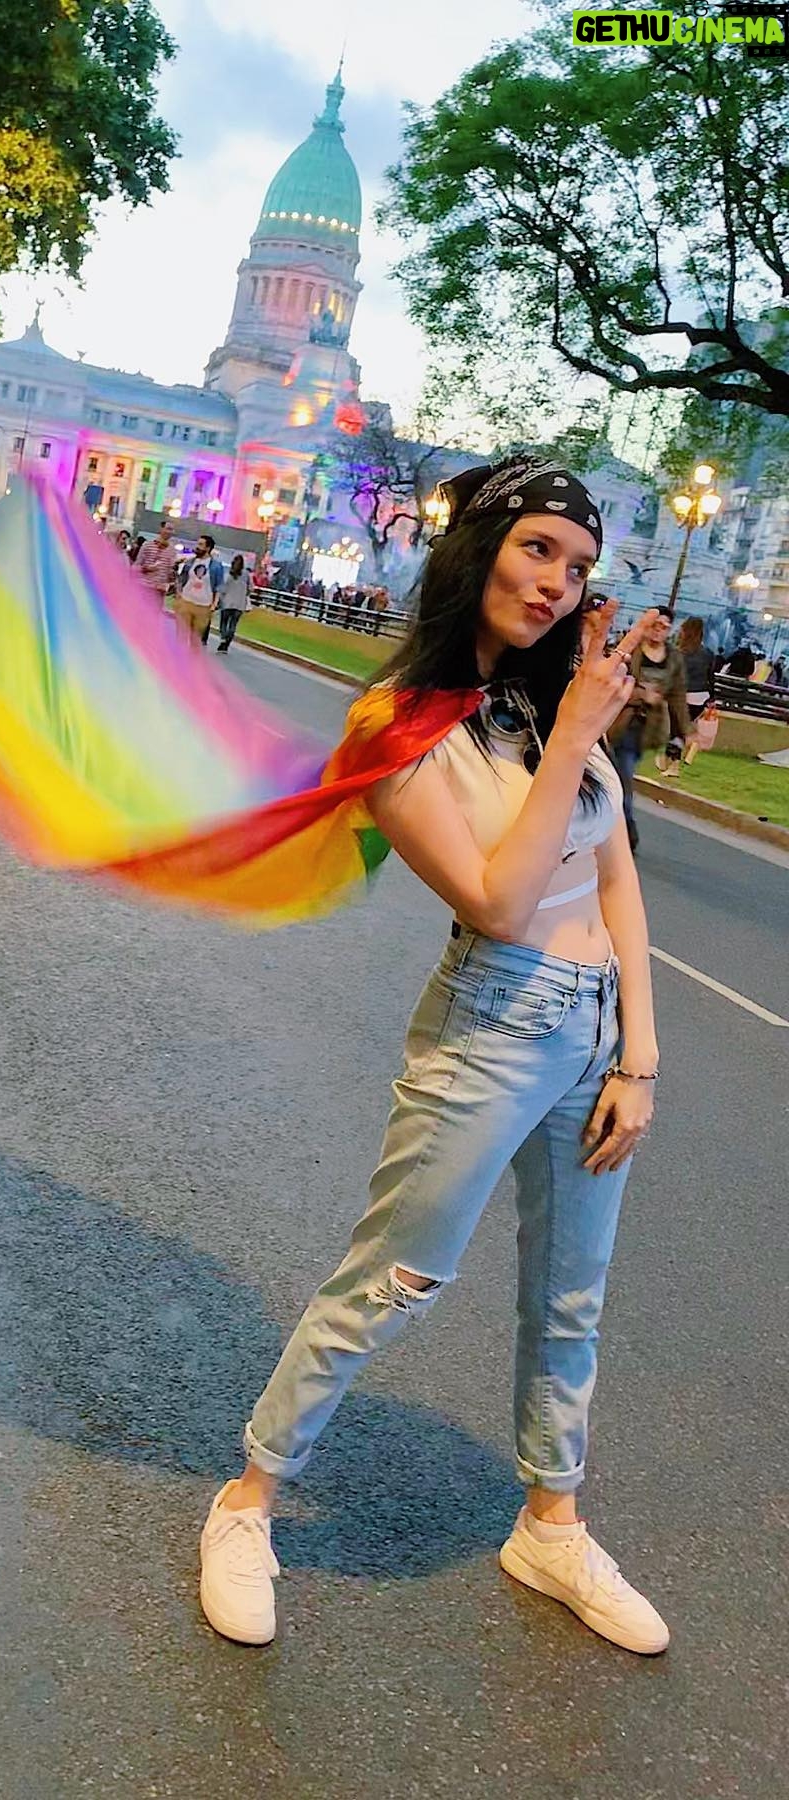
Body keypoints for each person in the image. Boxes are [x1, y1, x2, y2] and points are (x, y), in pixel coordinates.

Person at [198, 456, 671, 1657]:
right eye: (536, 549)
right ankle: (249, 1501)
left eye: (578, 563)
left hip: (595, 1034)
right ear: (479, 552)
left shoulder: (554, 702)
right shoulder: (398, 726)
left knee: (571, 1298)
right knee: (393, 1280)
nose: (558, 582)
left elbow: (616, 876)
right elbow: (499, 904)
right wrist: (577, 735)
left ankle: (552, 1525)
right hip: (494, 1024)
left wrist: (640, 1058)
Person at [605, 606, 688, 841]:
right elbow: (612, 679)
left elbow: (678, 694)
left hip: (648, 726)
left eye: (664, 627)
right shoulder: (631, 648)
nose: (659, 630)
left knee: (623, 772)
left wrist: (685, 731)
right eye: (655, 625)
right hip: (618, 719)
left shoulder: (673, 658)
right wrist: (641, 694)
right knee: (620, 774)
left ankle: (619, 828)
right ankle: (624, 830)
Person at [673, 615, 715, 767]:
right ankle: (691, 750)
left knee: (676, 731)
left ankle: (674, 765)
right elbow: (711, 677)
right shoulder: (708, 653)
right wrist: (712, 698)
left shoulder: (680, 652)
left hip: (684, 695)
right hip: (701, 696)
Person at [173, 534, 222, 645]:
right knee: (181, 634)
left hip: (203, 605)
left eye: (200, 544)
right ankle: (177, 654)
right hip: (186, 601)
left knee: (196, 638)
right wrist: (179, 593)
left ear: (208, 548)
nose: (197, 547)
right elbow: (181, 578)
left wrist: (214, 604)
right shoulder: (190, 562)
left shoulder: (216, 566)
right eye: (197, 544)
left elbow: (218, 586)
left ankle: (191, 655)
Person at [215, 553, 252, 653]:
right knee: (233, 624)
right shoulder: (246, 575)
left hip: (227, 603)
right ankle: (226, 644)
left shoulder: (228, 574)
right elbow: (250, 588)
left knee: (223, 622)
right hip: (239, 604)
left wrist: (219, 599)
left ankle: (223, 638)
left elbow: (222, 588)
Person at [135, 522, 178, 601]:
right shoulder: (147, 545)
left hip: (159, 591)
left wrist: (172, 577)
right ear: (161, 529)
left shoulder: (172, 551)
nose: (170, 532)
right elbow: (135, 567)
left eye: (172, 530)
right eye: (168, 529)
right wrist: (146, 569)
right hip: (144, 587)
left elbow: (170, 572)